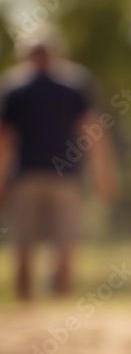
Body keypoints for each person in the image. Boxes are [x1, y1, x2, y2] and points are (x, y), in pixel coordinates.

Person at [0, 28, 117, 300]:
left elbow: (4, 140)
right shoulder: (74, 84)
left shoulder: (14, 87)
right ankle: (61, 309)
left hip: (25, 175)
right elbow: (93, 130)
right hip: (65, 174)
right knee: (65, 243)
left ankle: (26, 304)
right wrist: (103, 173)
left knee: (24, 243)